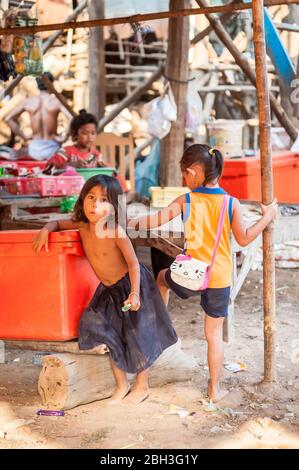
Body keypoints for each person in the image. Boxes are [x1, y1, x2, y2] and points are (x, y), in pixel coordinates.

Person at [128, 144, 277, 402]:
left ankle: (162, 317)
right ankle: (214, 389)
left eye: (184, 175)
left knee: (162, 277)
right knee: (214, 336)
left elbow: (154, 220)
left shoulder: (186, 200)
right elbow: (243, 239)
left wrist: (128, 224)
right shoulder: (231, 203)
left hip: (190, 275)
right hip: (218, 278)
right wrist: (267, 217)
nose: (184, 180)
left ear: (194, 172)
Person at [32, 175, 178, 405]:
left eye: (103, 200)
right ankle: (122, 385)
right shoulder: (81, 224)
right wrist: (45, 229)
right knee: (104, 331)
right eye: (91, 197)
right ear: (82, 199)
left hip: (131, 285)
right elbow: (58, 223)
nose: (95, 205)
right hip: (108, 291)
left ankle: (142, 385)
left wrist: (135, 293)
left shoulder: (115, 231)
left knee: (138, 334)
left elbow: (133, 264)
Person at [46, 110, 128, 192]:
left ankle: (122, 198)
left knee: (116, 174)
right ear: (75, 134)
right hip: (70, 190)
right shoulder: (66, 151)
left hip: (91, 190)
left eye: (93, 133)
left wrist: (103, 167)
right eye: (85, 133)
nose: (90, 137)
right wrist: (70, 164)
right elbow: (49, 167)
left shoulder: (95, 154)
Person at [5, 72, 71, 160]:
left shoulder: (29, 102)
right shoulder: (56, 101)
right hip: (52, 147)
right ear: (51, 84)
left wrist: (24, 137)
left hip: (34, 147)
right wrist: (64, 138)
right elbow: (72, 118)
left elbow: (9, 119)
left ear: (37, 85)